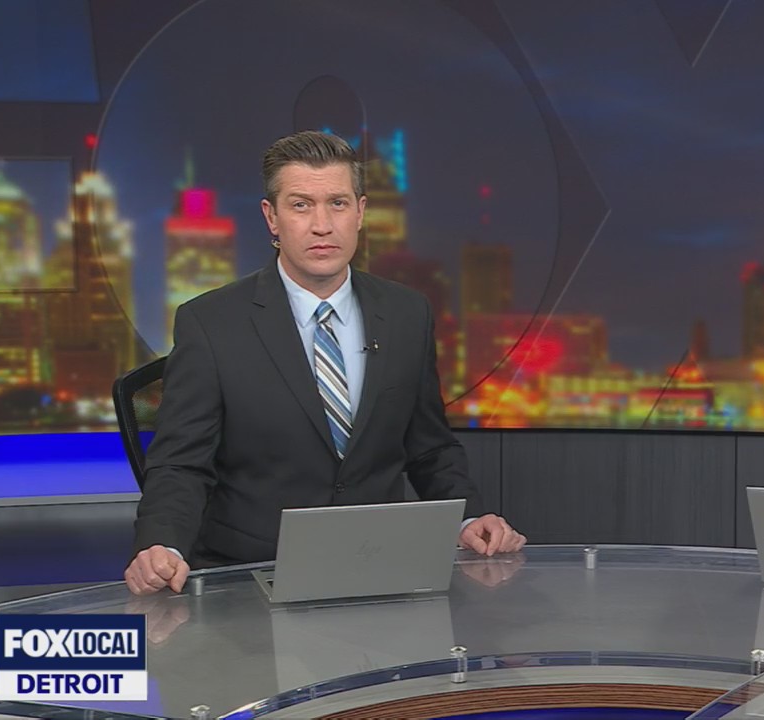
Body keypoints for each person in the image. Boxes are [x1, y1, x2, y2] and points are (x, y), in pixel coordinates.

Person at [126, 130, 526, 595]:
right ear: (271, 217)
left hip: (379, 568)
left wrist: (470, 517)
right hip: (251, 574)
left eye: (337, 204)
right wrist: (162, 545)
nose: (322, 225)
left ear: (360, 212)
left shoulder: (406, 313)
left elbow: (429, 446)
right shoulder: (211, 322)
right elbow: (181, 463)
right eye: (301, 205)